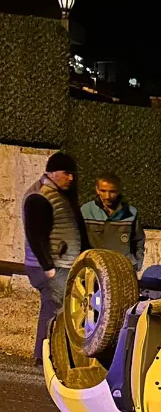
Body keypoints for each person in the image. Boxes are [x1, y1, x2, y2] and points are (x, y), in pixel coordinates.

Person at [23, 151, 90, 365]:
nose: (71, 178)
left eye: (73, 174)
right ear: (52, 173)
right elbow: (36, 236)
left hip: (61, 264)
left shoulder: (60, 195)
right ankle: (46, 355)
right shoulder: (39, 196)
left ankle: (50, 354)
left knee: (60, 308)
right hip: (48, 266)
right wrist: (49, 269)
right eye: (66, 173)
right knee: (56, 307)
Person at [81, 172, 146, 272]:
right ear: (97, 190)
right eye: (103, 191)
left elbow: (138, 240)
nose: (107, 196)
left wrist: (137, 263)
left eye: (112, 192)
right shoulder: (86, 211)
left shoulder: (131, 213)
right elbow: (79, 240)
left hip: (123, 269)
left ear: (119, 191)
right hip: (94, 269)